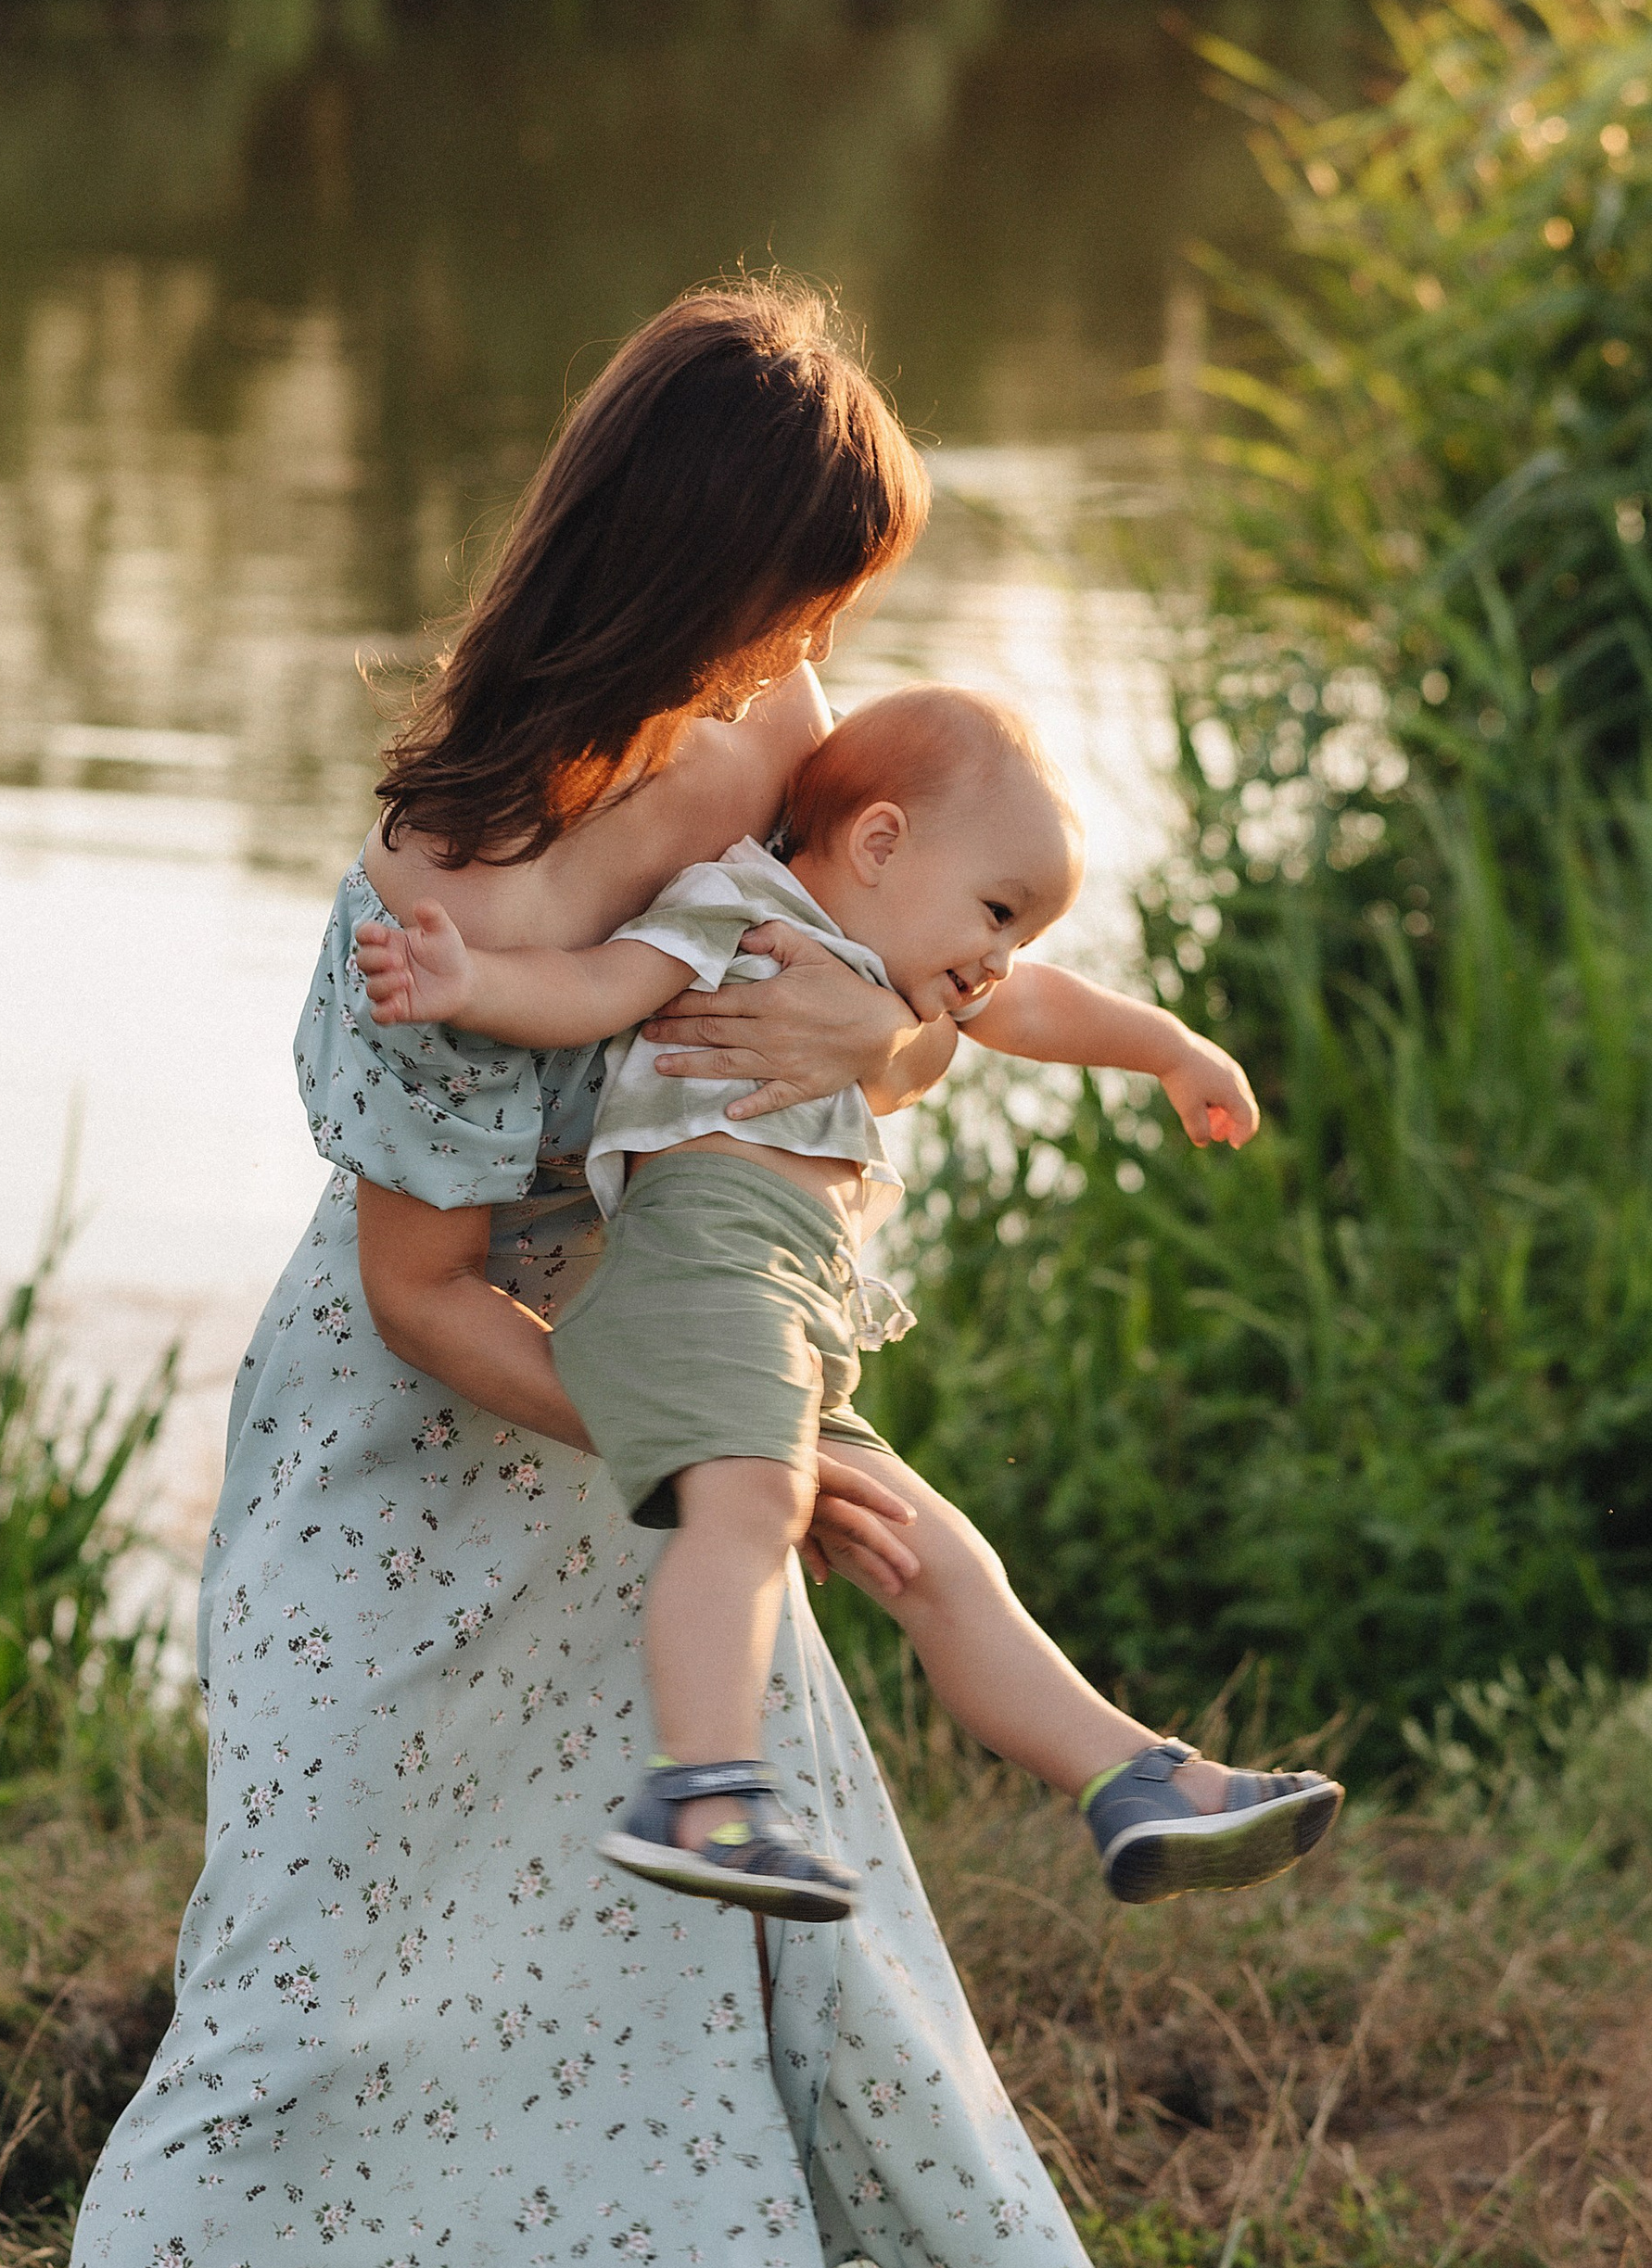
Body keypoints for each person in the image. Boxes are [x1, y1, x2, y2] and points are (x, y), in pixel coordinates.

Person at [0, 281, 1096, 2268]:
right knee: (288, 2019)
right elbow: (422, 1290)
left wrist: (889, 1050)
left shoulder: (776, 770)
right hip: (435, 1475)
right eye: (800, 605)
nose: (825, 674)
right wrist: (727, 1451)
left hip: (671, 1470)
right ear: (688, 566)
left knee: (713, 1976)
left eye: (843, 621)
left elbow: (906, 983)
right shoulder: (462, 859)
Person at [353, 679, 1343, 1919]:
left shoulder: (911, 975)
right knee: (758, 1502)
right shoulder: (739, 907)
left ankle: (1134, 1778)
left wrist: (1172, 1049)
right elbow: (597, 988)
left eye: (1018, 932)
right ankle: (704, 1795)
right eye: (995, 913)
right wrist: (466, 985)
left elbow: (1033, 1007)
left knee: (930, 1552)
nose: (998, 957)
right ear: (880, 841)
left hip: (795, 1296)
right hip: (702, 1261)